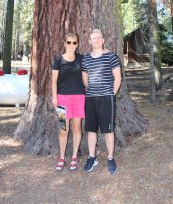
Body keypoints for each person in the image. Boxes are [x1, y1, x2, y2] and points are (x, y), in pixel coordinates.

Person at [82, 29, 122, 174]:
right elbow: (85, 77)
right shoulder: (86, 59)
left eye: (99, 38)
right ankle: (92, 157)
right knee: (91, 129)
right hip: (91, 98)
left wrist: (111, 93)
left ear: (103, 40)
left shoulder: (111, 57)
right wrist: (92, 90)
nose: (97, 40)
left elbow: (118, 78)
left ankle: (110, 158)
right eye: (94, 38)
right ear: (90, 41)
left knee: (108, 129)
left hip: (107, 98)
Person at [52, 33, 85, 171]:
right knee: (63, 130)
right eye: (69, 42)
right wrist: (54, 98)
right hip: (62, 99)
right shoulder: (58, 61)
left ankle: (74, 157)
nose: (72, 45)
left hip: (79, 98)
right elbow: (54, 80)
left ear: (77, 44)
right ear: (64, 43)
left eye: (74, 43)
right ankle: (61, 157)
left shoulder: (82, 59)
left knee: (77, 128)